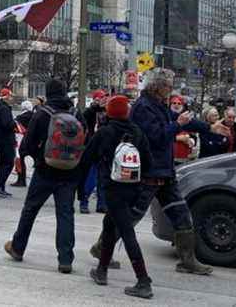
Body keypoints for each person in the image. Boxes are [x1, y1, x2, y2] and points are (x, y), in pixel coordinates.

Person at [92, 68, 222, 276]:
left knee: (181, 213)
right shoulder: (143, 108)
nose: (171, 90)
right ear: (157, 87)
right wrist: (177, 125)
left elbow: (182, 120)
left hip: (164, 172)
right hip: (149, 172)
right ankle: (101, 249)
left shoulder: (159, 106)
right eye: (168, 86)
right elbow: (156, 137)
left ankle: (188, 260)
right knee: (131, 216)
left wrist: (209, 127)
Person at [4, 79, 85, 274]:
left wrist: (38, 157)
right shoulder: (76, 113)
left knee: (30, 210)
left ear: (48, 94)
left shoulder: (42, 114)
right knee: (65, 214)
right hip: (70, 172)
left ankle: (18, 247)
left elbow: (27, 146)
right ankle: (65, 259)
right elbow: (84, 141)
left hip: (45, 171)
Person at [87, 95, 154, 299]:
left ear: (109, 112)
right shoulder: (137, 132)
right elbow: (149, 163)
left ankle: (143, 281)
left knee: (126, 232)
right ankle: (102, 270)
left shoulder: (105, 132)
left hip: (113, 189)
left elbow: (88, 157)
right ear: (127, 112)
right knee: (109, 226)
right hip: (133, 188)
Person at [79, 89, 109, 214]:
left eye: (104, 99)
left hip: (104, 149)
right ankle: (84, 202)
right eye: (100, 99)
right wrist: (97, 106)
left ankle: (101, 204)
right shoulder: (90, 112)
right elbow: (86, 117)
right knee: (90, 179)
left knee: (103, 179)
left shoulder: (108, 113)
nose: (103, 101)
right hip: (91, 148)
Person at [11, 96, 44, 188]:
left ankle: (21, 179)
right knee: (37, 161)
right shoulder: (35, 115)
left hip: (22, 141)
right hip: (34, 142)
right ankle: (40, 180)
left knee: (20, 159)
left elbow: (15, 127)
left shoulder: (20, 117)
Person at [170, 95, 198, 164]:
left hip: (184, 159)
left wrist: (190, 141)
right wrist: (178, 138)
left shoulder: (188, 119)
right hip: (168, 157)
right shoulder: (165, 117)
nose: (176, 105)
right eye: (174, 103)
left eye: (179, 103)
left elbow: (194, 137)